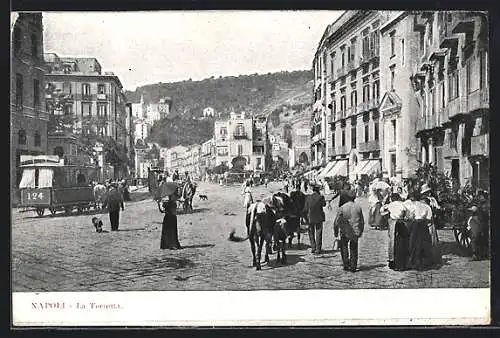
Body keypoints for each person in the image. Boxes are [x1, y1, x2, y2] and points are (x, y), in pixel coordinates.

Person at [334, 190, 364, 272]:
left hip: (345, 230)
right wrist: (361, 230)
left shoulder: (342, 208)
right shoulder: (358, 207)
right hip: (355, 230)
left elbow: (337, 221)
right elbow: (362, 221)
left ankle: (346, 264)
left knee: (344, 247)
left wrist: (335, 231)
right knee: (354, 248)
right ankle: (353, 265)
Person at [407, 193, 437, 270]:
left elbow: (410, 215)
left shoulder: (414, 205)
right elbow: (429, 218)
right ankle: (423, 262)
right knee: (424, 242)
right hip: (423, 224)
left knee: (414, 242)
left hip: (415, 224)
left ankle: (413, 261)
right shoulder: (427, 207)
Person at [380, 193, 409, 270]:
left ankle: (391, 259)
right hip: (400, 221)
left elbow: (382, 211)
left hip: (392, 222)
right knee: (401, 241)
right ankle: (401, 260)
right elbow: (405, 212)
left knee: (391, 241)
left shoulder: (390, 205)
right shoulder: (402, 204)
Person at [303, 184, 326, 254]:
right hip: (319, 217)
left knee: (311, 233)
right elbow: (324, 204)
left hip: (310, 218)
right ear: (318, 190)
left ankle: (313, 247)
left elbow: (305, 209)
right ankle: (318, 249)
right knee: (319, 233)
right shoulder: (320, 197)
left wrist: (305, 218)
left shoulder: (308, 198)